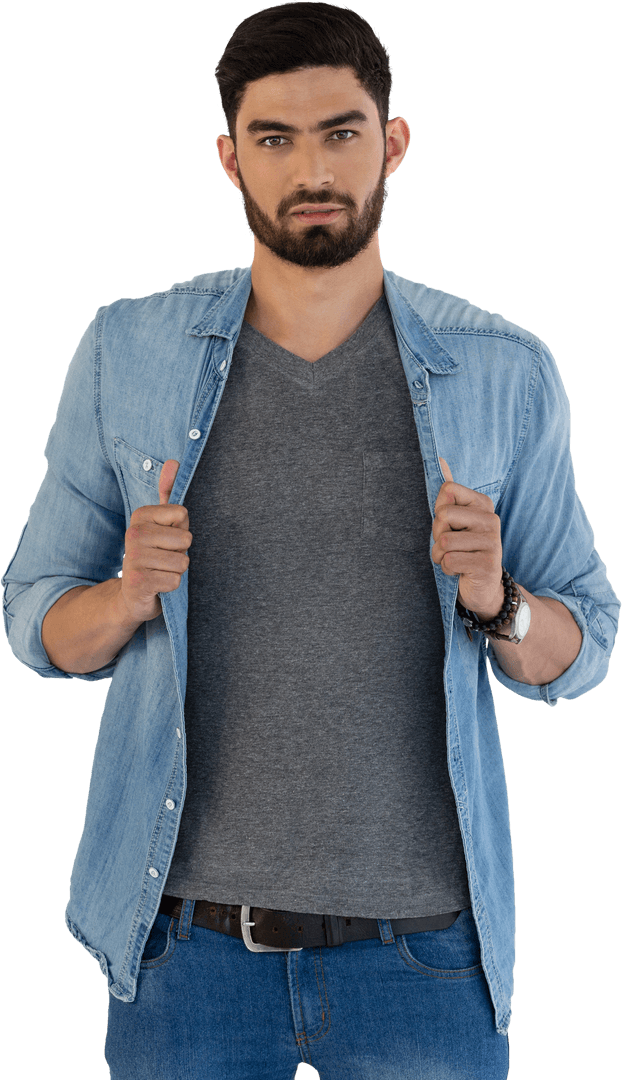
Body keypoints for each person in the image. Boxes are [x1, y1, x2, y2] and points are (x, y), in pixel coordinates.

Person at [2, 3, 619, 1078]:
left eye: (340, 132)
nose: (311, 168)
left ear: (393, 143)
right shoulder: (126, 349)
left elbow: (586, 645)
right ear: (229, 158)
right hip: (183, 952)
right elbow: (36, 617)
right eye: (274, 139)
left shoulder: (503, 370)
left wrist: (495, 598)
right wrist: (123, 597)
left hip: (426, 960)